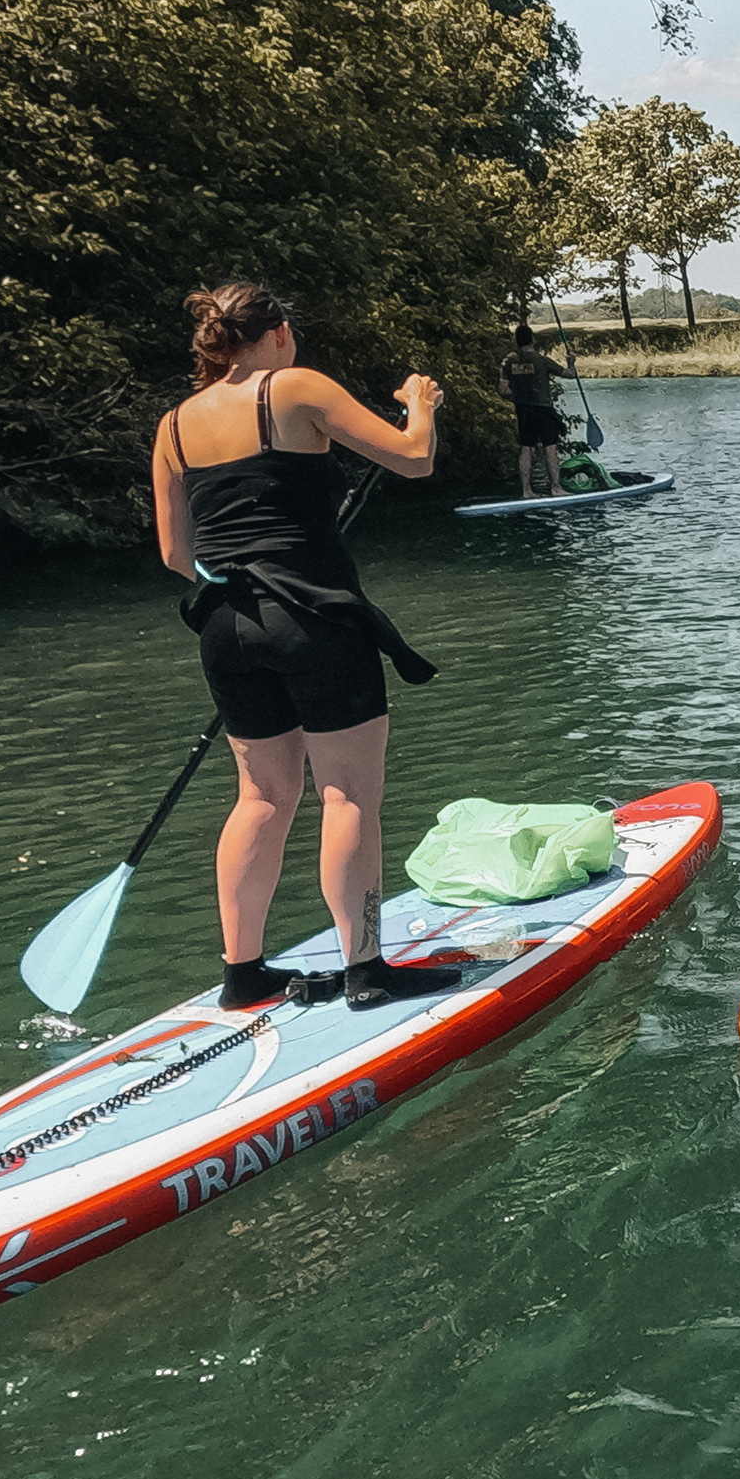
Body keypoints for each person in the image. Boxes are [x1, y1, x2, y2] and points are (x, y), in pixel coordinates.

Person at [148, 282, 453, 1011]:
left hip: (226, 626)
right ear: (278, 332)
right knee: (347, 793)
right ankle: (367, 969)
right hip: (313, 617)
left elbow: (173, 553)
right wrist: (422, 402)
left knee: (260, 795)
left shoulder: (174, 425)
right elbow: (413, 458)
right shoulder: (295, 387)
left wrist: (240, 579)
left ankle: (243, 973)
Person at [502, 319, 576, 498]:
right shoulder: (542, 361)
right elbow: (569, 374)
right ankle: (556, 488)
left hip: (523, 411)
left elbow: (503, 390)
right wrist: (571, 362)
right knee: (550, 447)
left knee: (526, 448)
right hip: (543, 409)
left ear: (516, 341)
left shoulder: (509, 363)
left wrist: (518, 398)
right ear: (532, 340)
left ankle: (527, 490)